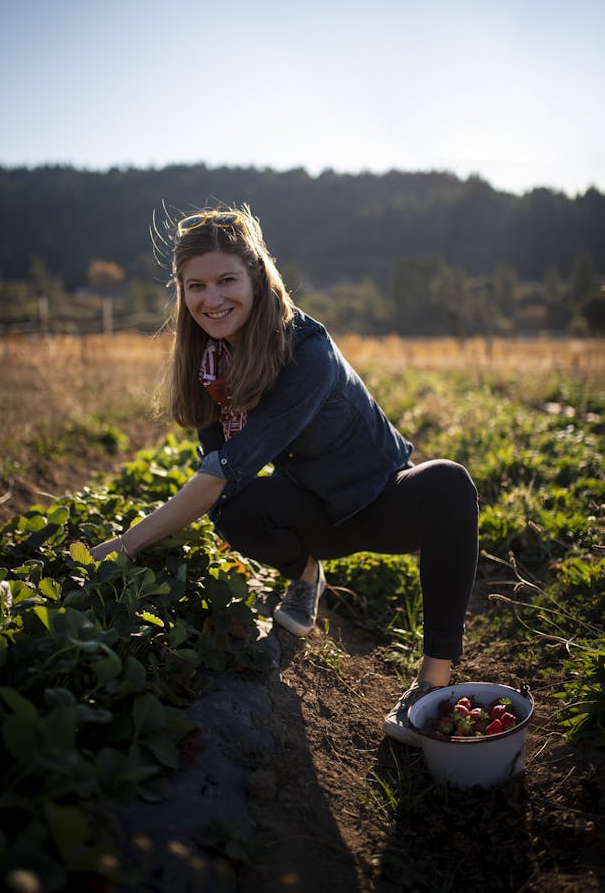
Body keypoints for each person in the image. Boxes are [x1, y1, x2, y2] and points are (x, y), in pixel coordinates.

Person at [89, 204, 479, 746]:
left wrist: (126, 545)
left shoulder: (304, 350)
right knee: (233, 507)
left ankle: (430, 684)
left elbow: (225, 468)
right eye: (195, 285)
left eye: (227, 279)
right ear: (181, 291)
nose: (212, 298)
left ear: (257, 278)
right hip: (316, 511)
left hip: (381, 500)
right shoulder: (210, 363)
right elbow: (218, 471)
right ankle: (305, 575)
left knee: (448, 483)